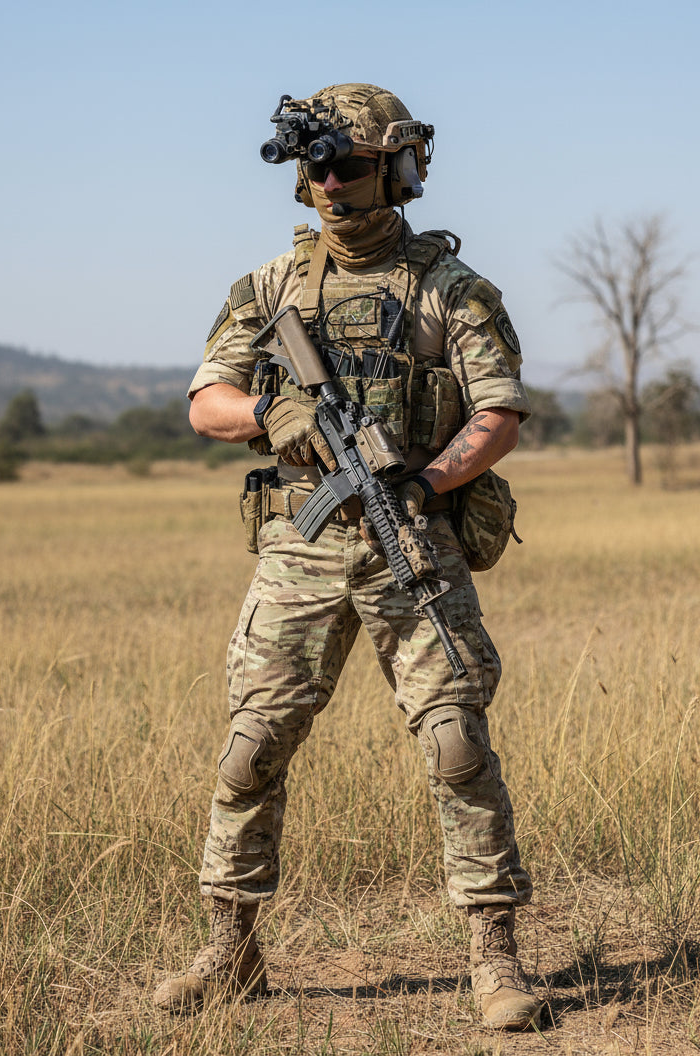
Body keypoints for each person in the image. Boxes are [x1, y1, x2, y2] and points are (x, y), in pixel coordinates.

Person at [153, 83, 544, 1031]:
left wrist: (427, 483)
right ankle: (230, 949)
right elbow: (207, 403)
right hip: (300, 548)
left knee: (455, 743)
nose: (331, 184)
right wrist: (270, 413)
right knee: (252, 750)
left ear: (397, 169)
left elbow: (498, 415)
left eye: (352, 166)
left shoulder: (450, 289)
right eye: (317, 166)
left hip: (410, 538)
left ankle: (495, 955)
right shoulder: (268, 290)